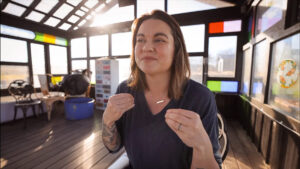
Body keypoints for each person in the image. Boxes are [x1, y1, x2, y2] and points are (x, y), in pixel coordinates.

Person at [102, 10, 221, 169]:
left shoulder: (200, 97)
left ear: (176, 49)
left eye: (159, 40)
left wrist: (202, 146)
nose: (147, 47)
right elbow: (114, 146)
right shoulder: (125, 89)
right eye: (140, 40)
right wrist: (107, 120)